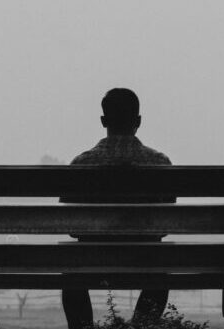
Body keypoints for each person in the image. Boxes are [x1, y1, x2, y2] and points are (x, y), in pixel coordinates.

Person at [60, 88, 174, 329]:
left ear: (103, 121)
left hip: (91, 259)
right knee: (160, 276)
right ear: (138, 121)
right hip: (146, 259)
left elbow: (70, 226)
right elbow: (165, 224)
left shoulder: (81, 164)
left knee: (71, 275)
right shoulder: (160, 164)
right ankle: (141, 327)